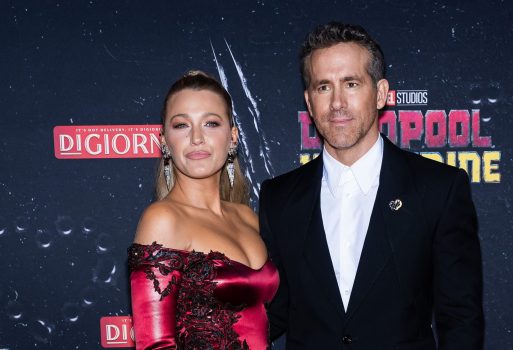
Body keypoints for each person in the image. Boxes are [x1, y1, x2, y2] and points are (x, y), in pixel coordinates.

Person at [259, 22, 484, 349]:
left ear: (380, 93)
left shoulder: (438, 189)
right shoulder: (278, 199)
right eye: (324, 87)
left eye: (351, 84)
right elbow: (273, 313)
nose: (337, 102)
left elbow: (461, 318)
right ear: (309, 102)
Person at [128, 71, 279, 350]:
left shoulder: (247, 217)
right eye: (181, 125)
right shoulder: (162, 220)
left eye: (211, 123)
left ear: (232, 136)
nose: (197, 138)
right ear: (164, 140)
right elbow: (155, 345)